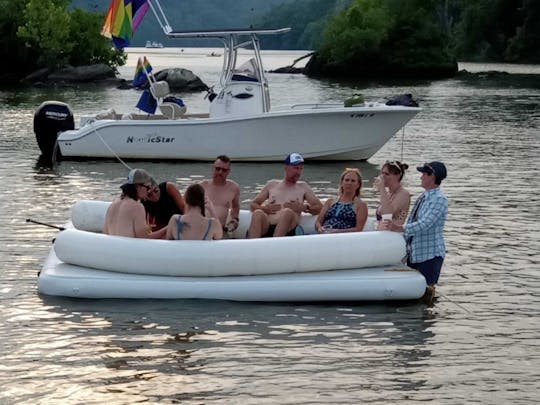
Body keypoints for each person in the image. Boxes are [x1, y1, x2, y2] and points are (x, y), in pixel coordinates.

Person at [381, 161, 448, 299]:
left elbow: (425, 224)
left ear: (432, 176)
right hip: (415, 253)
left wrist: (399, 228)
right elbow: (413, 220)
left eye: (424, 173)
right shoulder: (423, 196)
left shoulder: (439, 199)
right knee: (414, 293)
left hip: (430, 256)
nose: (421, 176)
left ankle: (426, 318)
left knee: (426, 293)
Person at [248, 153, 322, 238]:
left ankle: (275, 244)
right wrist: (264, 208)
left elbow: (319, 208)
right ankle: (252, 246)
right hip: (268, 225)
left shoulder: (303, 187)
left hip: (288, 228)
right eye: (295, 168)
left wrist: (304, 208)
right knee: (258, 213)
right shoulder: (272, 184)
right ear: (286, 168)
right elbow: (253, 204)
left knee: (287, 212)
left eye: (301, 169)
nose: (298, 172)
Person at [103, 168, 167, 239]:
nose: (148, 191)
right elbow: (144, 237)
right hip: (128, 249)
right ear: (138, 186)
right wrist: (167, 228)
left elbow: (106, 232)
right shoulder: (137, 207)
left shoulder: (113, 205)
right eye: (148, 187)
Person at [315, 168, 368, 233]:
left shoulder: (361, 205)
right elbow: (318, 222)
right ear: (342, 183)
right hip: (324, 234)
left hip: (344, 238)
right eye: (347, 180)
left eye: (353, 181)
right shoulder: (330, 202)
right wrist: (320, 228)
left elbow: (358, 229)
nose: (349, 183)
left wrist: (337, 231)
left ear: (358, 185)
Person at [200, 155, 241, 233]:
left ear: (228, 171)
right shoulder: (202, 186)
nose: (220, 172)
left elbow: (235, 206)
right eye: (217, 169)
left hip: (220, 231)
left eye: (224, 170)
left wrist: (235, 219)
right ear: (213, 168)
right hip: (201, 230)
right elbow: (187, 206)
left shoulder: (234, 188)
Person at [374, 160, 411, 226]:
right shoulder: (388, 193)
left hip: (394, 233)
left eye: (387, 174)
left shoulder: (403, 194)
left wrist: (382, 188)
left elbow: (387, 214)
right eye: (382, 173)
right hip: (383, 231)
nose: (383, 177)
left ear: (398, 176)